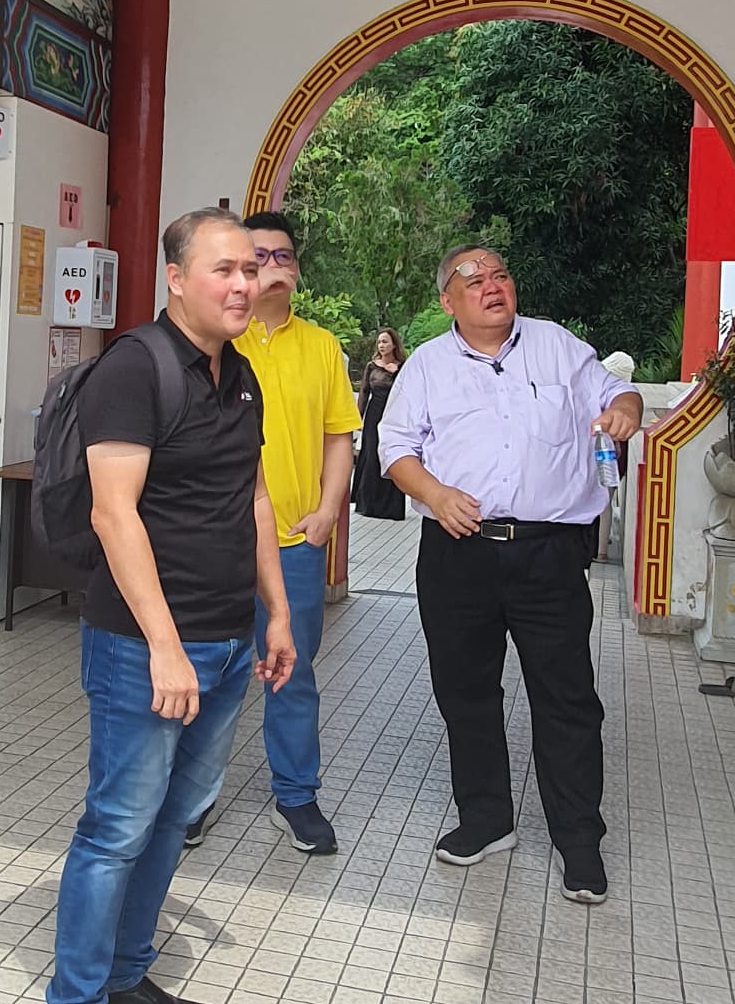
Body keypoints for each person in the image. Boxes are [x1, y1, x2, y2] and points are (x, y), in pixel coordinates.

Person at [43, 208, 297, 1004]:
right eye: (223, 269)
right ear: (177, 279)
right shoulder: (134, 369)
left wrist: (275, 610)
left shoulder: (240, 374)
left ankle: (124, 978)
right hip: (145, 646)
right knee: (116, 826)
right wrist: (162, 643)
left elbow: (253, 498)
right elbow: (114, 515)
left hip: (227, 641)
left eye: (252, 269)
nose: (243, 283)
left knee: (172, 821)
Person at [379, 244, 641, 903]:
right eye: (474, 281)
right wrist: (435, 494)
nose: (492, 286)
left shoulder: (555, 346)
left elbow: (617, 392)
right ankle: (486, 818)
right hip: (457, 552)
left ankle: (578, 839)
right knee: (465, 690)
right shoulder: (427, 365)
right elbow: (395, 448)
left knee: (567, 696)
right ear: (448, 301)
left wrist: (627, 411)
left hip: (548, 553)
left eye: (500, 275)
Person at [188, 208, 358, 856]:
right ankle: (192, 797)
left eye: (283, 256)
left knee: (292, 670)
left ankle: (296, 793)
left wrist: (327, 511)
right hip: (215, 543)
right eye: (257, 258)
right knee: (209, 669)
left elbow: (338, 436)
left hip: (292, 542)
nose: (271, 267)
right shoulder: (214, 343)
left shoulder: (321, 347)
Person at [353, 326, 409, 521]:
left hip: (394, 416)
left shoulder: (403, 367)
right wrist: (358, 417)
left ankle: (391, 507)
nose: (381, 345)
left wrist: (396, 372)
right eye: (379, 342)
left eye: (385, 341)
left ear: (394, 344)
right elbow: (364, 392)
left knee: (391, 455)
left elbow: (408, 392)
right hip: (374, 415)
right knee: (371, 455)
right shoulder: (372, 366)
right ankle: (367, 504)